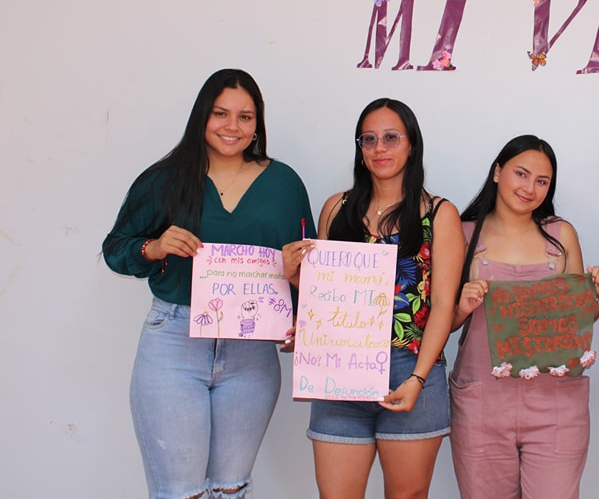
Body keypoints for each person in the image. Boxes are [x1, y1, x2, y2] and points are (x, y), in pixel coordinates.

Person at [102, 68, 315, 499]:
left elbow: (306, 267)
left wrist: (302, 311)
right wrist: (155, 246)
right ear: (202, 115)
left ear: (258, 124)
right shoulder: (164, 179)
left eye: (245, 116)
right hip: (174, 345)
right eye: (221, 113)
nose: (232, 127)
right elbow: (116, 249)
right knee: (180, 492)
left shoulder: (284, 183)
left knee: (231, 488)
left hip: (252, 353)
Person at [282, 97, 463, 499]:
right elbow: (325, 297)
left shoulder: (439, 214)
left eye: (391, 138)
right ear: (360, 148)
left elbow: (444, 307)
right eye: (369, 139)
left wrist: (417, 378)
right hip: (340, 373)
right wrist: (297, 282)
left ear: (411, 144)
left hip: (410, 368)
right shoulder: (337, 208)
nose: (379, 148)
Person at [449, 135, 599, 499]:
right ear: (497, 172)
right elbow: (439, 324)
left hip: (556, 406)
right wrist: (462, 307)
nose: (530, 188)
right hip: (482, 404)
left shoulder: (561, 235)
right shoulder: (461, 234)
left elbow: (573, 322)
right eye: (521, 174)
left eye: (542, 181)